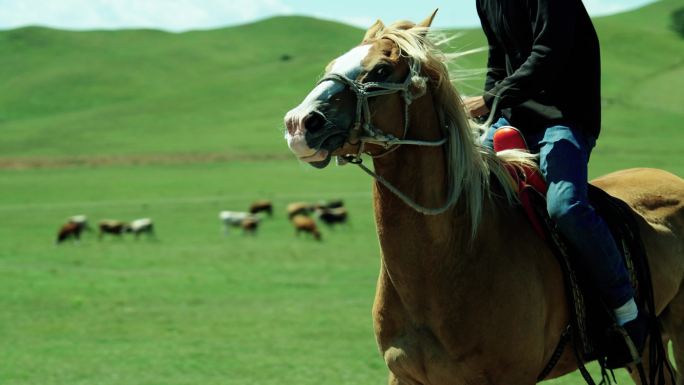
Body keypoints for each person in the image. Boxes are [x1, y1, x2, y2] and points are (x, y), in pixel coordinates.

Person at [464, 0, 646, 368]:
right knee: (467, 195)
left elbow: (547, 57)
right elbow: (498, 62)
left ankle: (626, 310)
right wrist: (490, 118)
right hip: (511, 117)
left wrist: (488, 100)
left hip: (563, 118)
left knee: (566, 207)